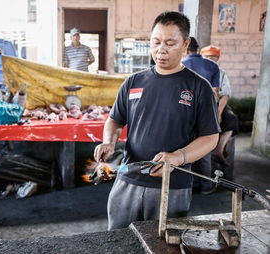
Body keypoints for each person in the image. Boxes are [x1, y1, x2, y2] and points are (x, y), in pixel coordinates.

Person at [94, 11, 220, 230]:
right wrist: (109, 141)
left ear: (185, 44)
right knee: (118, 240)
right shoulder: (134, 81)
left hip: (172, 187)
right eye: (156, 42)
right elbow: (115, 120)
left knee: (164, 245)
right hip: (128, 179)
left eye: (170, 43)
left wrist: (177, 158)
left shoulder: (199, 87)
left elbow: (210, 138)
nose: (161, 49)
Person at [182, 37, 221, 194]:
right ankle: (205, 187)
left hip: (184, 113)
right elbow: (216, 93)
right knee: (204, 148)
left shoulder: (180, 65)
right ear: (197, 49)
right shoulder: (212, 66)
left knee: (184, 149)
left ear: (185, 48)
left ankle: (186, 187)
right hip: (205, 113)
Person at [200, 45, 239, 167]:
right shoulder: (196, 70)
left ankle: (219, 149)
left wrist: (219, 112)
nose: (211, 60)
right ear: (202, 57)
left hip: (217, 103)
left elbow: (225, 95)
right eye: (207, 57)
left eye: (214, 57)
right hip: (201, 102)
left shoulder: (221, 73)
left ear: (218, 58)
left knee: (231, 118)